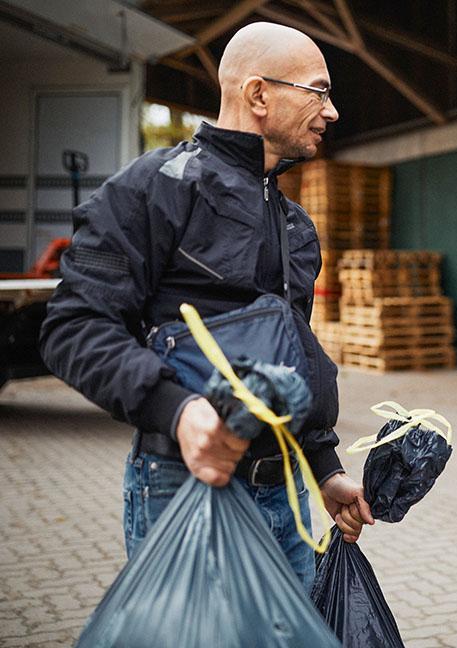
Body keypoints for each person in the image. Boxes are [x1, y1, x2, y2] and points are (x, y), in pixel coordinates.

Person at [39, 23, 373, 592]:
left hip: (285, 497)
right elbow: (73, 327)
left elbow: (289, 358)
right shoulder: (151, 190)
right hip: (183, 489)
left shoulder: (296, 225)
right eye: (319, 92)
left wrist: (324, 469)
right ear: (259, 95)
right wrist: (179, 410)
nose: (332, 111)